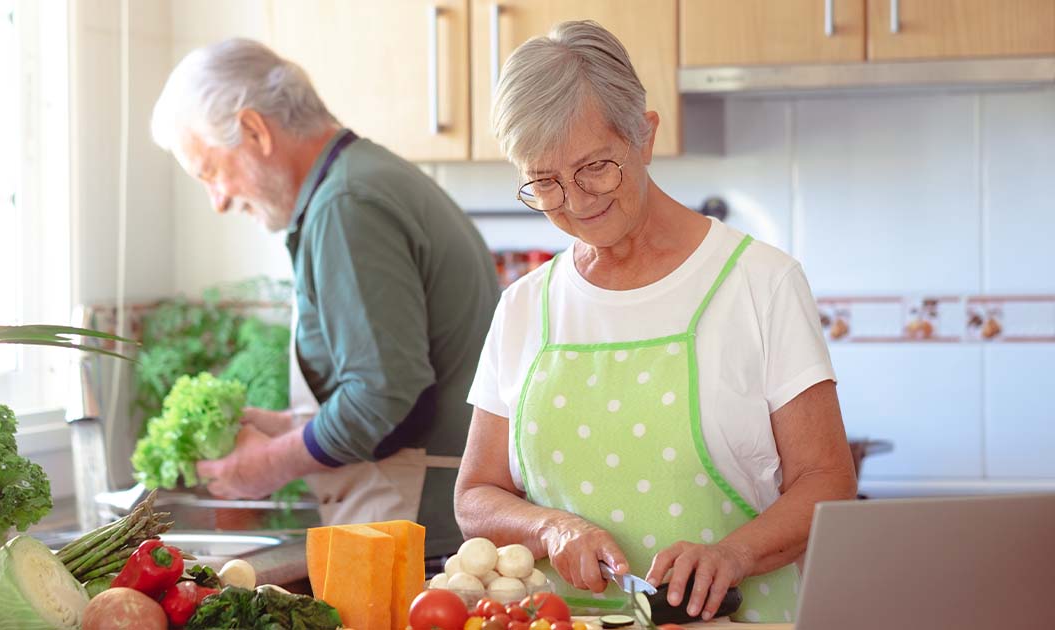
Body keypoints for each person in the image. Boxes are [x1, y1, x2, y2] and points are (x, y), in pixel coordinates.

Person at [454, 21, 858, 622]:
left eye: (594, 167)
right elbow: (475, 496)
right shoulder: (523, 306)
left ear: (644, 134)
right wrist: (552, 528)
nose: (577, 201)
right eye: (545, 182)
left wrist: (734, 554)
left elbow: (827, 479)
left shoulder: (760, 283)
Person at [150, 38, 500, 558]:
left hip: (421, 533)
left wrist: (266, 465)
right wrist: (291, 429)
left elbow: (385, 397)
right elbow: (388, 385)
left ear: (253, 130)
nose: (218, 200)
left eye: (210, 173)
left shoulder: (347, 205)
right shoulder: (359, 183)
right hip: (423, 519)